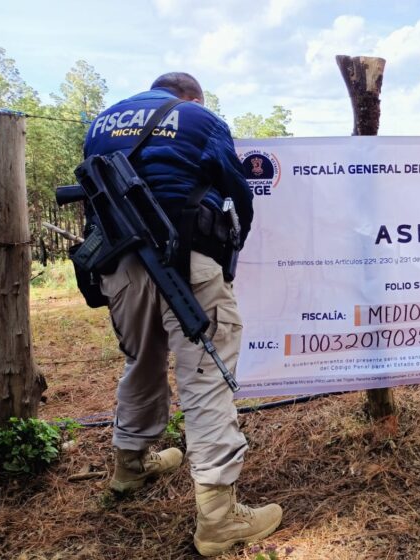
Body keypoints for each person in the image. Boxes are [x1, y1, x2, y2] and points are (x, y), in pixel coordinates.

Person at [83, 72, 281, 557]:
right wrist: (230, 251)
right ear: (191, 96)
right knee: (206, 378)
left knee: (141, 362)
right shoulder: (198, 118)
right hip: (187, 260)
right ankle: (218, 518)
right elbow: (237, 190)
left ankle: (129, 467)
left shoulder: (102, 123)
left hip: (119, 263)